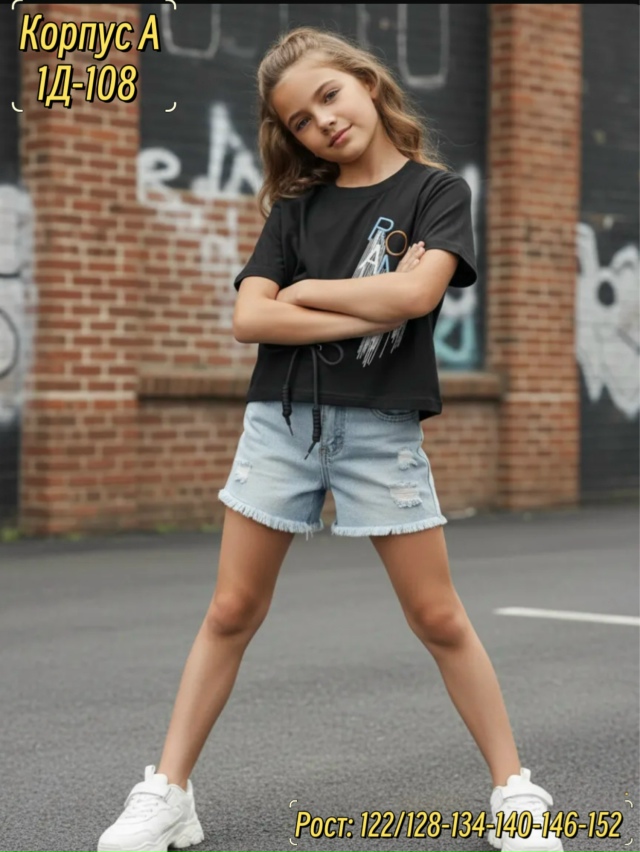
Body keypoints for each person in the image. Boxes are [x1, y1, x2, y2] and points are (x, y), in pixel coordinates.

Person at [98, 26, 563, 852]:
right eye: (302, 122)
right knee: (231, 610)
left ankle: (514, 790)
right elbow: (250, 319)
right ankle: (167, 793)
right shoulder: (296, 210)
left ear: (366, 84)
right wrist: (361, 301)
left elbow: (415, 298)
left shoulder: (436, 193)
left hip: (382, 431)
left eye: (329, 97)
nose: (323, 123)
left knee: (438, 616)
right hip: (281, 426)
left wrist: (305, 293)